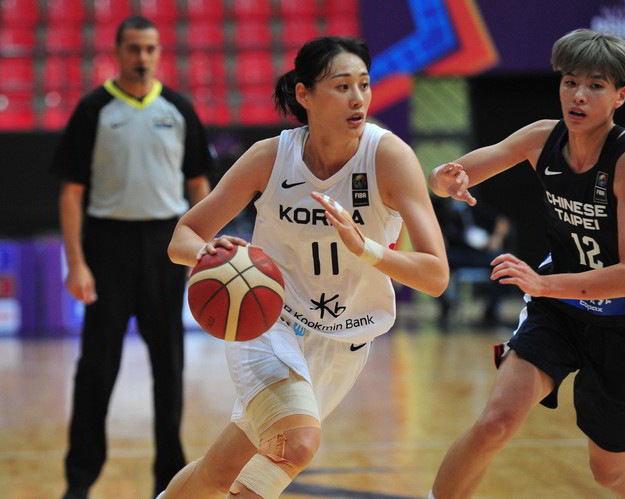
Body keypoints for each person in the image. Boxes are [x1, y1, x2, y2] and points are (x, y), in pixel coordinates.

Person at [158, 36, 449, 499]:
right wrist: (209, 255)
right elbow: (183, 236)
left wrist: (366, 248)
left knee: (223, 470)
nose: (358, 98)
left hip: (346, 341)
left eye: (364, 84)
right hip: (269, 320)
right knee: (297, 444)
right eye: (342, 86)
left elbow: (435, 276)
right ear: (304, 94)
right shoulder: (270, 157)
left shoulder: (389, 158)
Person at [427, 29, 625, 499]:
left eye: (595, 85)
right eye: (570, 82)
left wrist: (543, 285)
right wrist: (446, 181)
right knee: (495, 423)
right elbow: (448, 176)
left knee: (609, 472)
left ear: (620, 95)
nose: (578, 95)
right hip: (560, 311)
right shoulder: (541, 137)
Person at [51, 16, 213, 499]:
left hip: (167, 244)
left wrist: (205, 251)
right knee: (97, 367)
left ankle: (168, 479)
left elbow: (199, 187)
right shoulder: (93, 109)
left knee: (169, 365)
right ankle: (80, 479)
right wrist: (77, 262)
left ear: (159, 52)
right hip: (108, 246)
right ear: (117, 52)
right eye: (133, 48)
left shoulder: (179, 109)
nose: (142, 57)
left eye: (150, 48)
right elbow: (71, 194)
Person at [431, 193, 511, 328]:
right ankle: (445, 306)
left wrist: (496, 238)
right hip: (454, 253)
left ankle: (491, 310)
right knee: (434, 264)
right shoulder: (439, 206)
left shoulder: (473, 204)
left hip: (478, 253)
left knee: (502, 262)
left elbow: (502, 221)